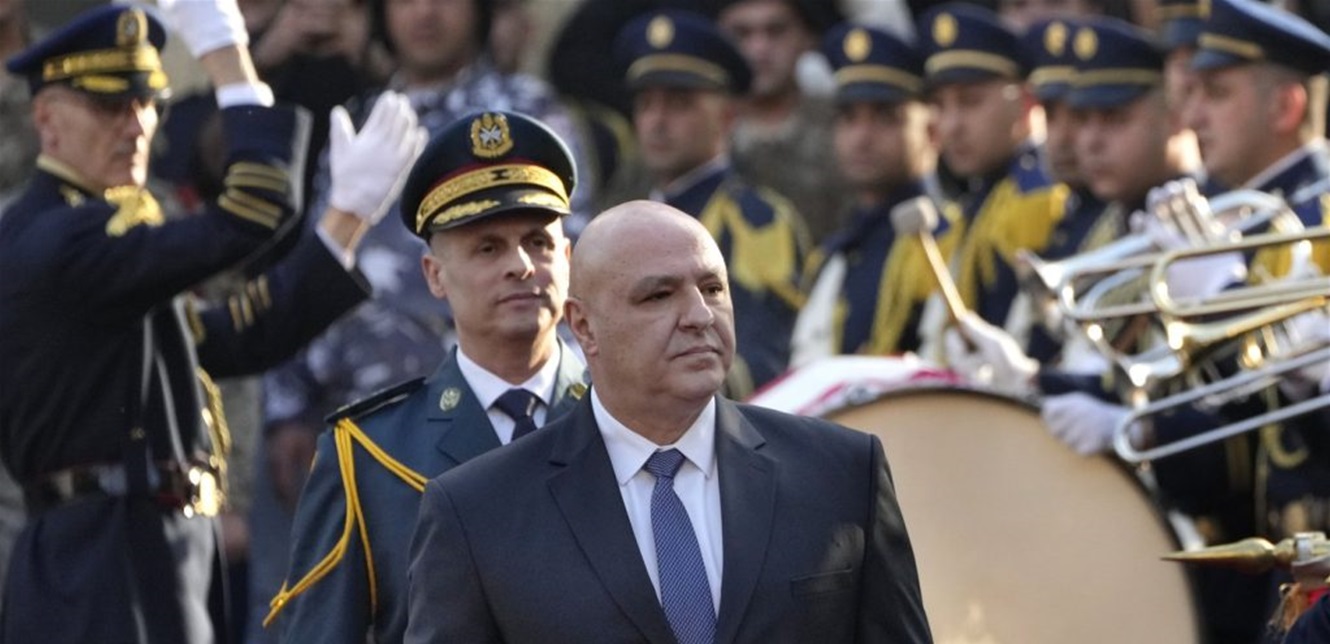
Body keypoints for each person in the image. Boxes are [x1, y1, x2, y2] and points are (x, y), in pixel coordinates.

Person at [0, 2, 423, 641]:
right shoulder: (63, 240)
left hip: (138, 541)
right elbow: (251, 209)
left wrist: (347, 218)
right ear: (46, 120)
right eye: (110, 106)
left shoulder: (99, 239)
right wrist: (229, 59)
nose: (137, 125)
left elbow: (231, 339)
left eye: (147, 103)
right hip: (99, 555)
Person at [404, 199, 931, 643]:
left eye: (713, 288)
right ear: (583, 326)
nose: (699, 316)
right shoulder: (478, 512)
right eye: (658, 295)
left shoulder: (841, 472)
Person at [250, 0, 592, 633]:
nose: (519, 265)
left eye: (536, 242)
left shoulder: (621, 421)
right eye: (485, 248)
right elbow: (316, 257)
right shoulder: (362, 121)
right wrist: (288, 401)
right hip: (385, 411)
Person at [615, 9, 809, 397]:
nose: (657, 121)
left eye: (679, 104)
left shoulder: (756, 220)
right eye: (647, 104)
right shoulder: (625, 219)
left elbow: (762, 358)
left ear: (727, 117)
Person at [790, 22, 947, 365]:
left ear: (932, 131)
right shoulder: (837, 252)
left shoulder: (948, 240)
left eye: (885, 118)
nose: (862, 137)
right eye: (849, 118)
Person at [916, 3, 1067, 353]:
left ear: (1025, 103)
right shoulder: (983, 196)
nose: (951, 125)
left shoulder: (1034, 198)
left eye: (970, 102)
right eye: (940, 105)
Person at [717, 0, 848, 244]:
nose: (759, 49)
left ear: (807, 39)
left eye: (776, 31)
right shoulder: (699, 128)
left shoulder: (844, 124)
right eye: (742, 33)